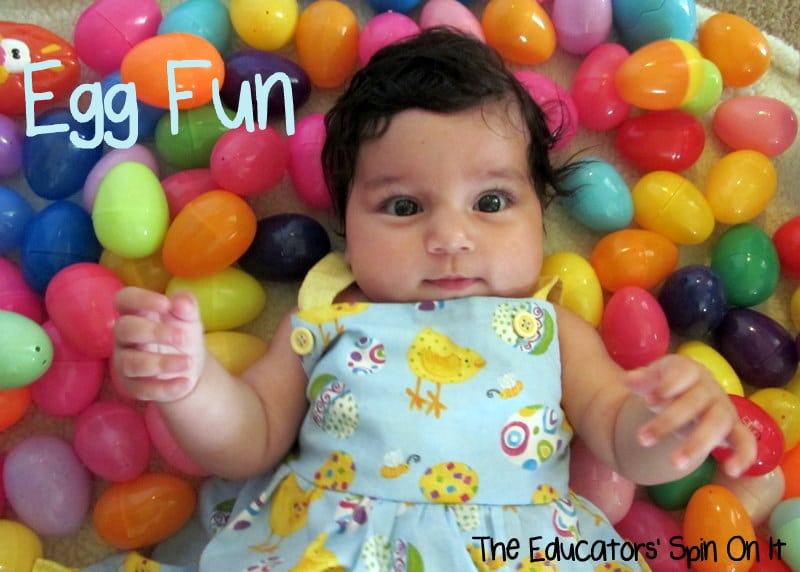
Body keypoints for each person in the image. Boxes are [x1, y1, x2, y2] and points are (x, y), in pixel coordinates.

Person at [102, 28, 756, 572]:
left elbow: (620, 437)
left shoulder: (548, 328)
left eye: (491, 203)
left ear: (542, 216)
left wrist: (668, 418)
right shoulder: (325, 324)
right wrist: (191, 384)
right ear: (347, 226)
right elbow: (249, 441)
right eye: (404, 206)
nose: (449, 239)